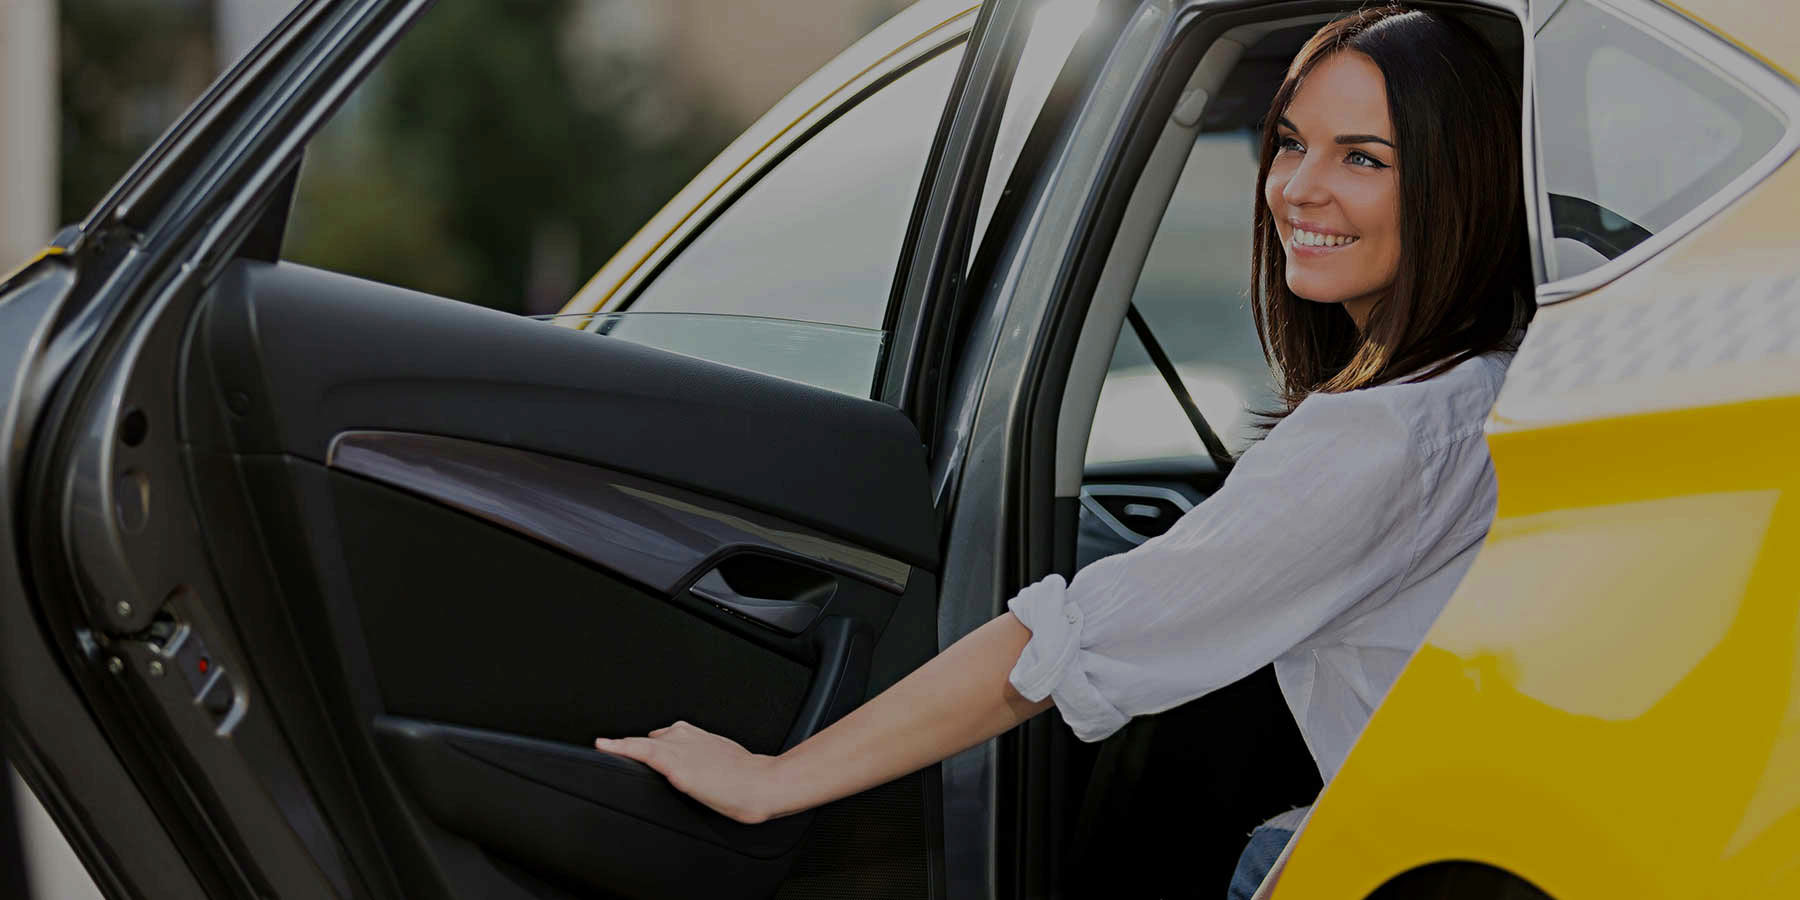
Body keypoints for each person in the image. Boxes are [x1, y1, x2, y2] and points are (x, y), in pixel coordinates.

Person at [595, 6, 1533, 896]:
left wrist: (778, 780)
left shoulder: (1380, 438)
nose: (1296, 187)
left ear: (1459, 182)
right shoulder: (1499, 382)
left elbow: (1068, 643)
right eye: (1289, 141)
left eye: (1363, 158)